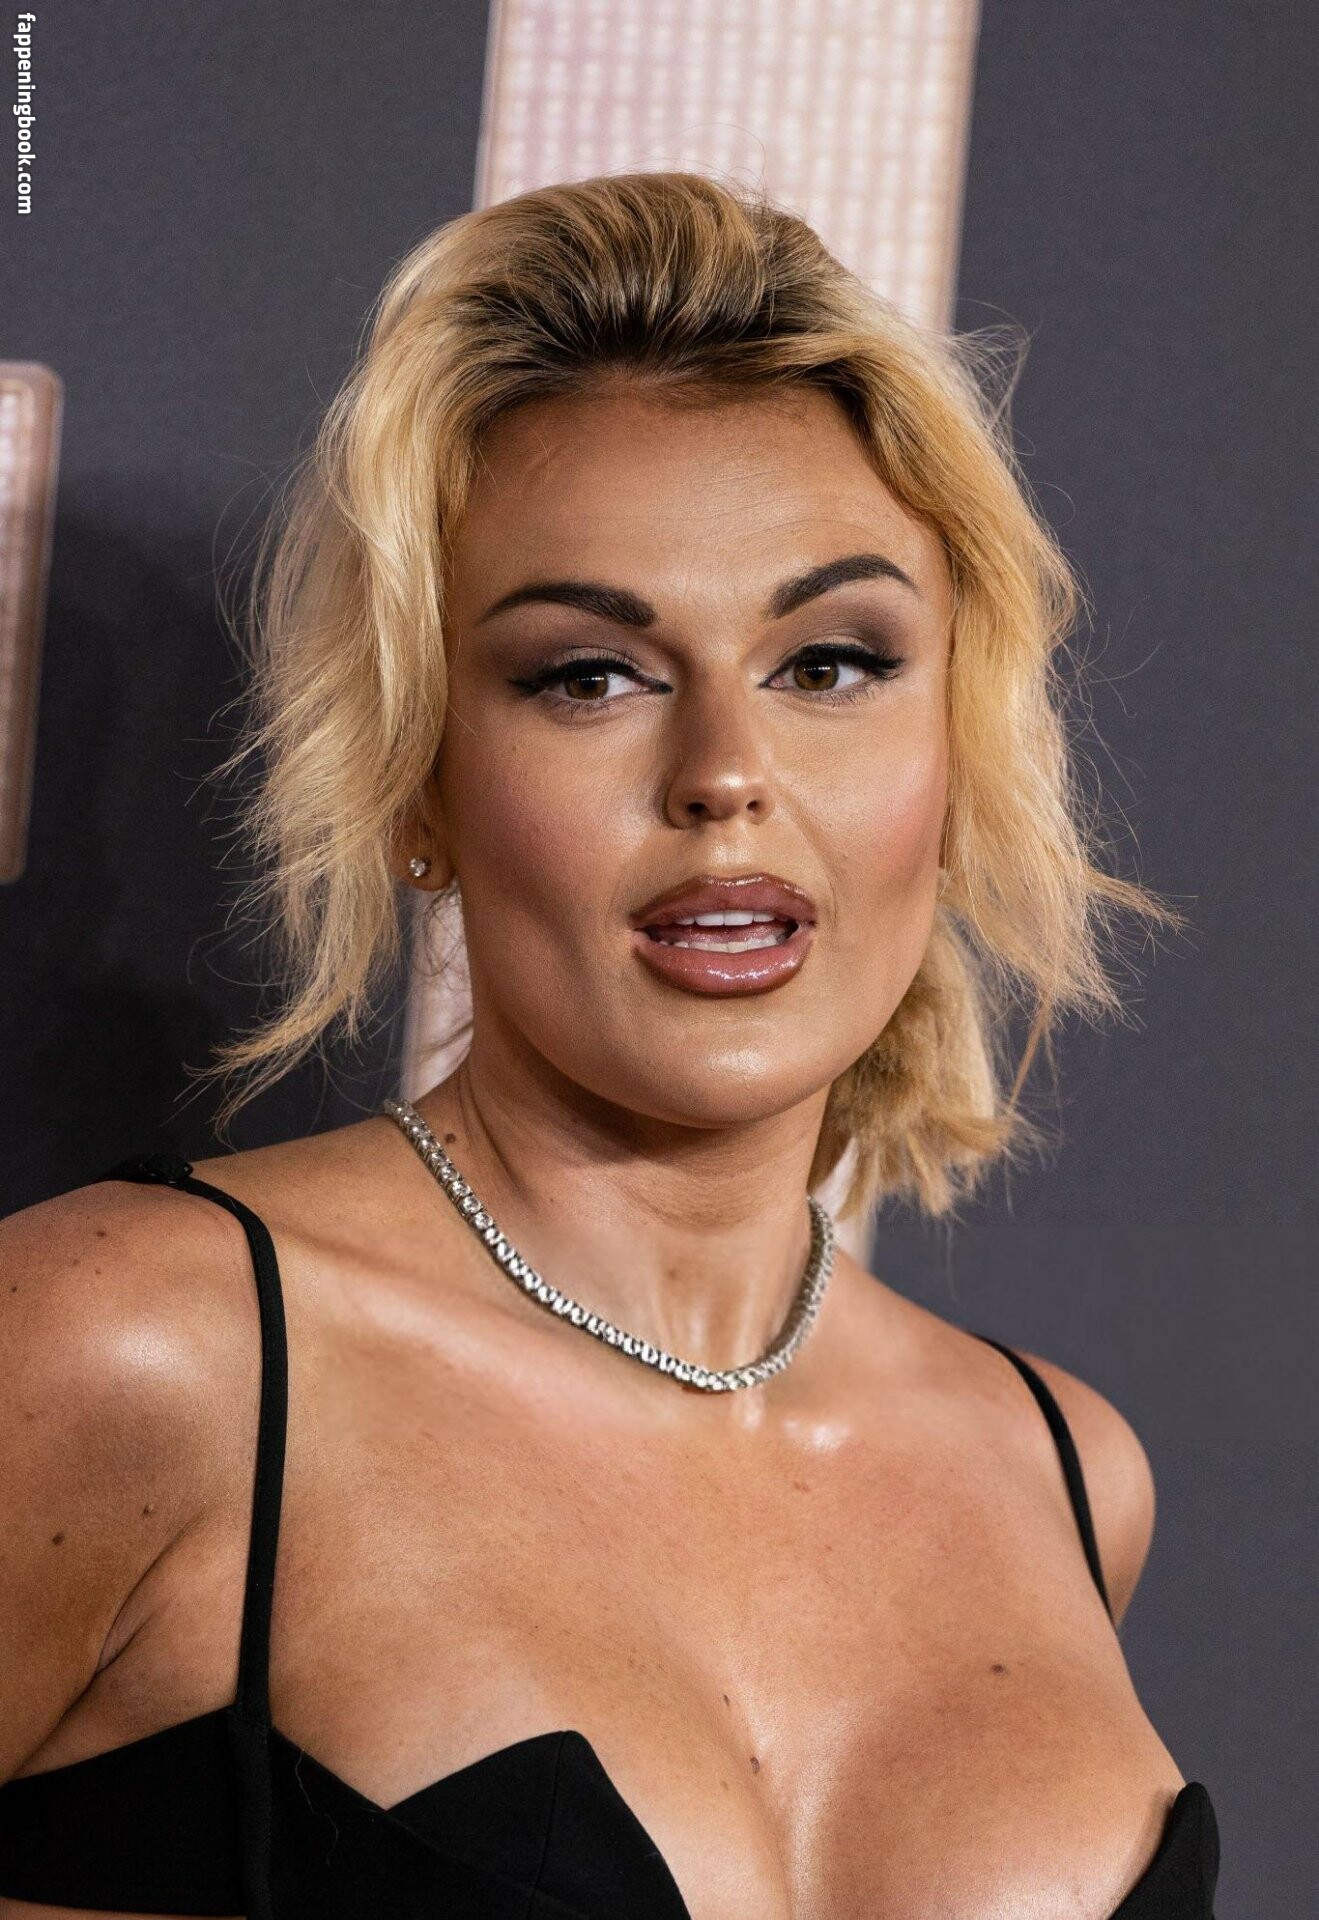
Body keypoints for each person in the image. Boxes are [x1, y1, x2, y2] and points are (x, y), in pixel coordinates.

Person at [0, 172, 1219, 1918]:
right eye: (589, 675)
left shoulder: (1066, 1472)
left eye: (832, 662)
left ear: (954, 750)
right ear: (419, 782)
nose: (726, 771)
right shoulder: (137, 1353)